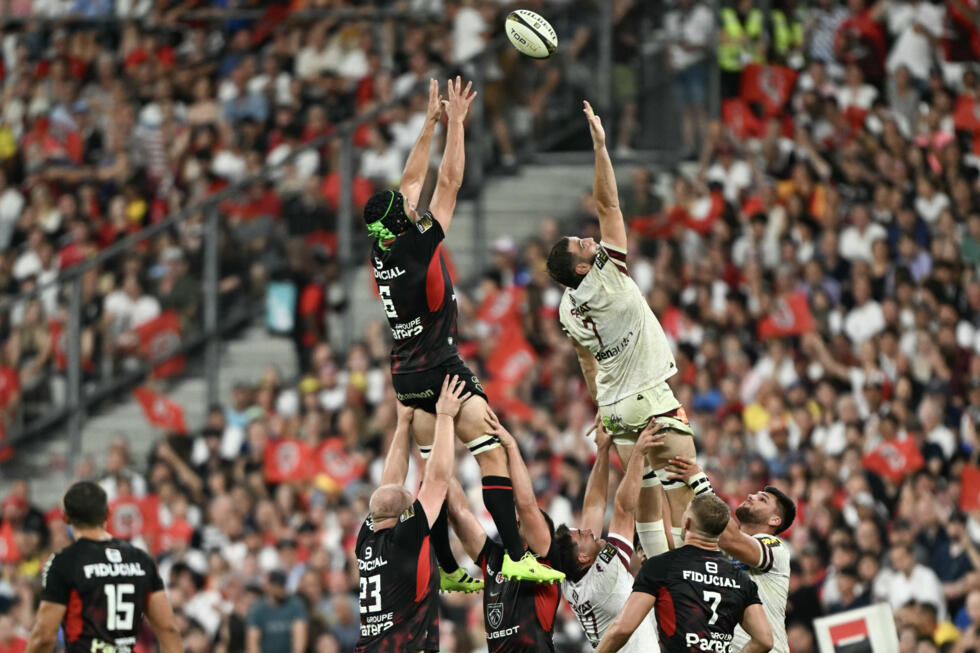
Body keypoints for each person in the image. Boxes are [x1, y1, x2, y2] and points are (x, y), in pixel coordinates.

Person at [363, 77, 560, 585]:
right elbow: (446, 183)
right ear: (402, 222)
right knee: (491, 449)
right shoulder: (416, 246)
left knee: (438, 475)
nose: (411, 203)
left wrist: (428, 124)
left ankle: (448, 567)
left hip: (405, 374)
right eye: (406, 208)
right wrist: (455, 126)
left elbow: (411, 182)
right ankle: (514, 554)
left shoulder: (381, 247)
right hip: (439, 367)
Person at [546, 100, 703, 558]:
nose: (588, 238)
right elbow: (608, 204)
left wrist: (600, 405)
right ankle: (691, 578)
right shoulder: (607, 273)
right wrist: (600, 147)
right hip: (648, 396)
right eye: (581, 245)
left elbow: (585, 362)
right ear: (581, 267)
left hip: (614, 408)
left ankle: (660, 569)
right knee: (685, 492)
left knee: (646, 500)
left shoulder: (565, 308)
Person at [354, 375, 467, 653]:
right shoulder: (404, 538)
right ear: (403, 516)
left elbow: (389, 486)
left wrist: (403, 423)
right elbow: (437, 480)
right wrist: (445, 417)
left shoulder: (367, 536)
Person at [446, 414, 568, 652]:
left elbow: (526, 505)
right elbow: (459, 513)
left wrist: (512, 447)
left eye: (534, 523)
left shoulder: (544, 561)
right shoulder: (494, 558)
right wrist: (436, 452)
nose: (520, 520)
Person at [595, 494, 774, 653]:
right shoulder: (741, 578)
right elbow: (764, 640)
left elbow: (623, 629)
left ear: (687, 523)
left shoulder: (661, 566)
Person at [24, 481, 181, 653]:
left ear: (66, 518)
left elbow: (44, 637)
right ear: (107, 513)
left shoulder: (64, 562)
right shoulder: (141, 559)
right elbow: (168, 628)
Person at [666, 456, 797, 653]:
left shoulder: (775, 548)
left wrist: (700, 481)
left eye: (762, 499)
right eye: (755, 494)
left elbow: (730, 538)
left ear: (775, 520)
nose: (751, 496)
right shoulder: (716, 550)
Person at [554, 421, 663, 651]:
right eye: (582, 535)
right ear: (583, 558)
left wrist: (602, 450)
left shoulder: (570, 579)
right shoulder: (605, 576)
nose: (587, 531)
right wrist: (638, 453)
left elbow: (593, 507)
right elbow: (623, 509)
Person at [245, 570, 307, 653]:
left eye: (282, 585)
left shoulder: (294, 604)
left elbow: (299, 636)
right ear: (269, 586)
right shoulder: (257, 609)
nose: (280, 589)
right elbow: (253, 642)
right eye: (277, 586)